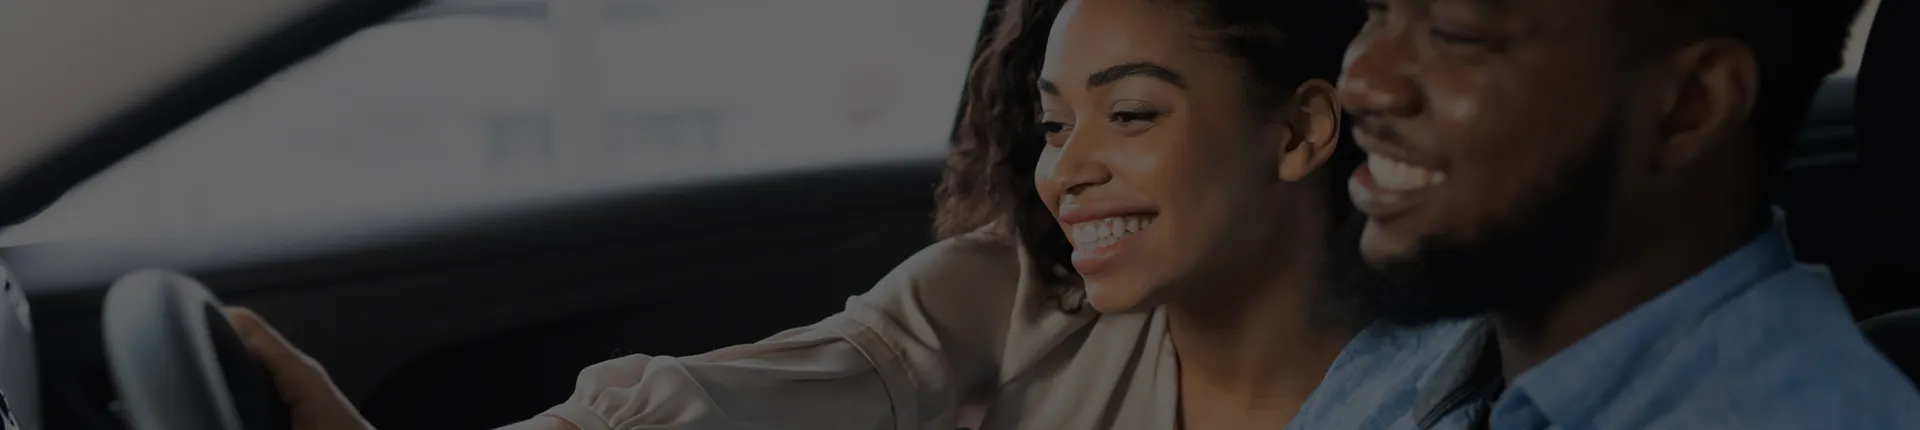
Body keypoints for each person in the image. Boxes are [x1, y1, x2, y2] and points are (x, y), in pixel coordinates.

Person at [227, 0, 1471, 429]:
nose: (1066, 170)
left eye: (1130, 115)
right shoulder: (1016, 295)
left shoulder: (1456, 384)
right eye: (1052, 124)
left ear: (1304, 130)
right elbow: (716, 406)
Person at [1322, 0, 1920, 428]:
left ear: (1690, 104)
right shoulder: (1413, 370)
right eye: (1377, 10)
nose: (1362, 82)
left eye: (1456, 32)